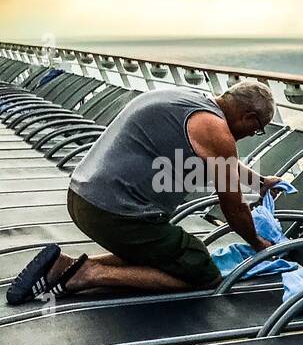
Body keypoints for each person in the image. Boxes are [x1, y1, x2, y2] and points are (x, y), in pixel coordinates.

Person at [7, 79, 283, 304]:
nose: (251, 134)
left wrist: (259, 182)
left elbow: (227, 165)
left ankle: (65, 265)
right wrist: (259, 245)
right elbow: (233, 208)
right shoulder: (216, 130)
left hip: (82, 197)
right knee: (202, 269)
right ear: (249, 116)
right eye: (257, 129)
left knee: (160, 253)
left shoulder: (187, 100)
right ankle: (89, 274)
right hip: (118, 214)